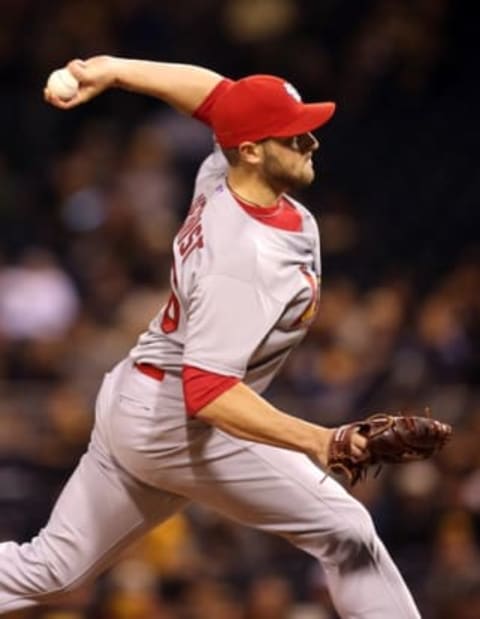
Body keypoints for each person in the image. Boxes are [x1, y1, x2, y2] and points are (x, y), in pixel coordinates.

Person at [0, 56, 421, 618]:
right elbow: (210, 393)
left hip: (139, 398)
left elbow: (217, 97)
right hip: (180, 421)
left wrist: (112, 69)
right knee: (347, 531)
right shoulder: (244, 256)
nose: (311, 141)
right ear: (251, 150)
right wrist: (322, 441)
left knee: (49, 568)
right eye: (293, 135)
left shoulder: (222, 172)